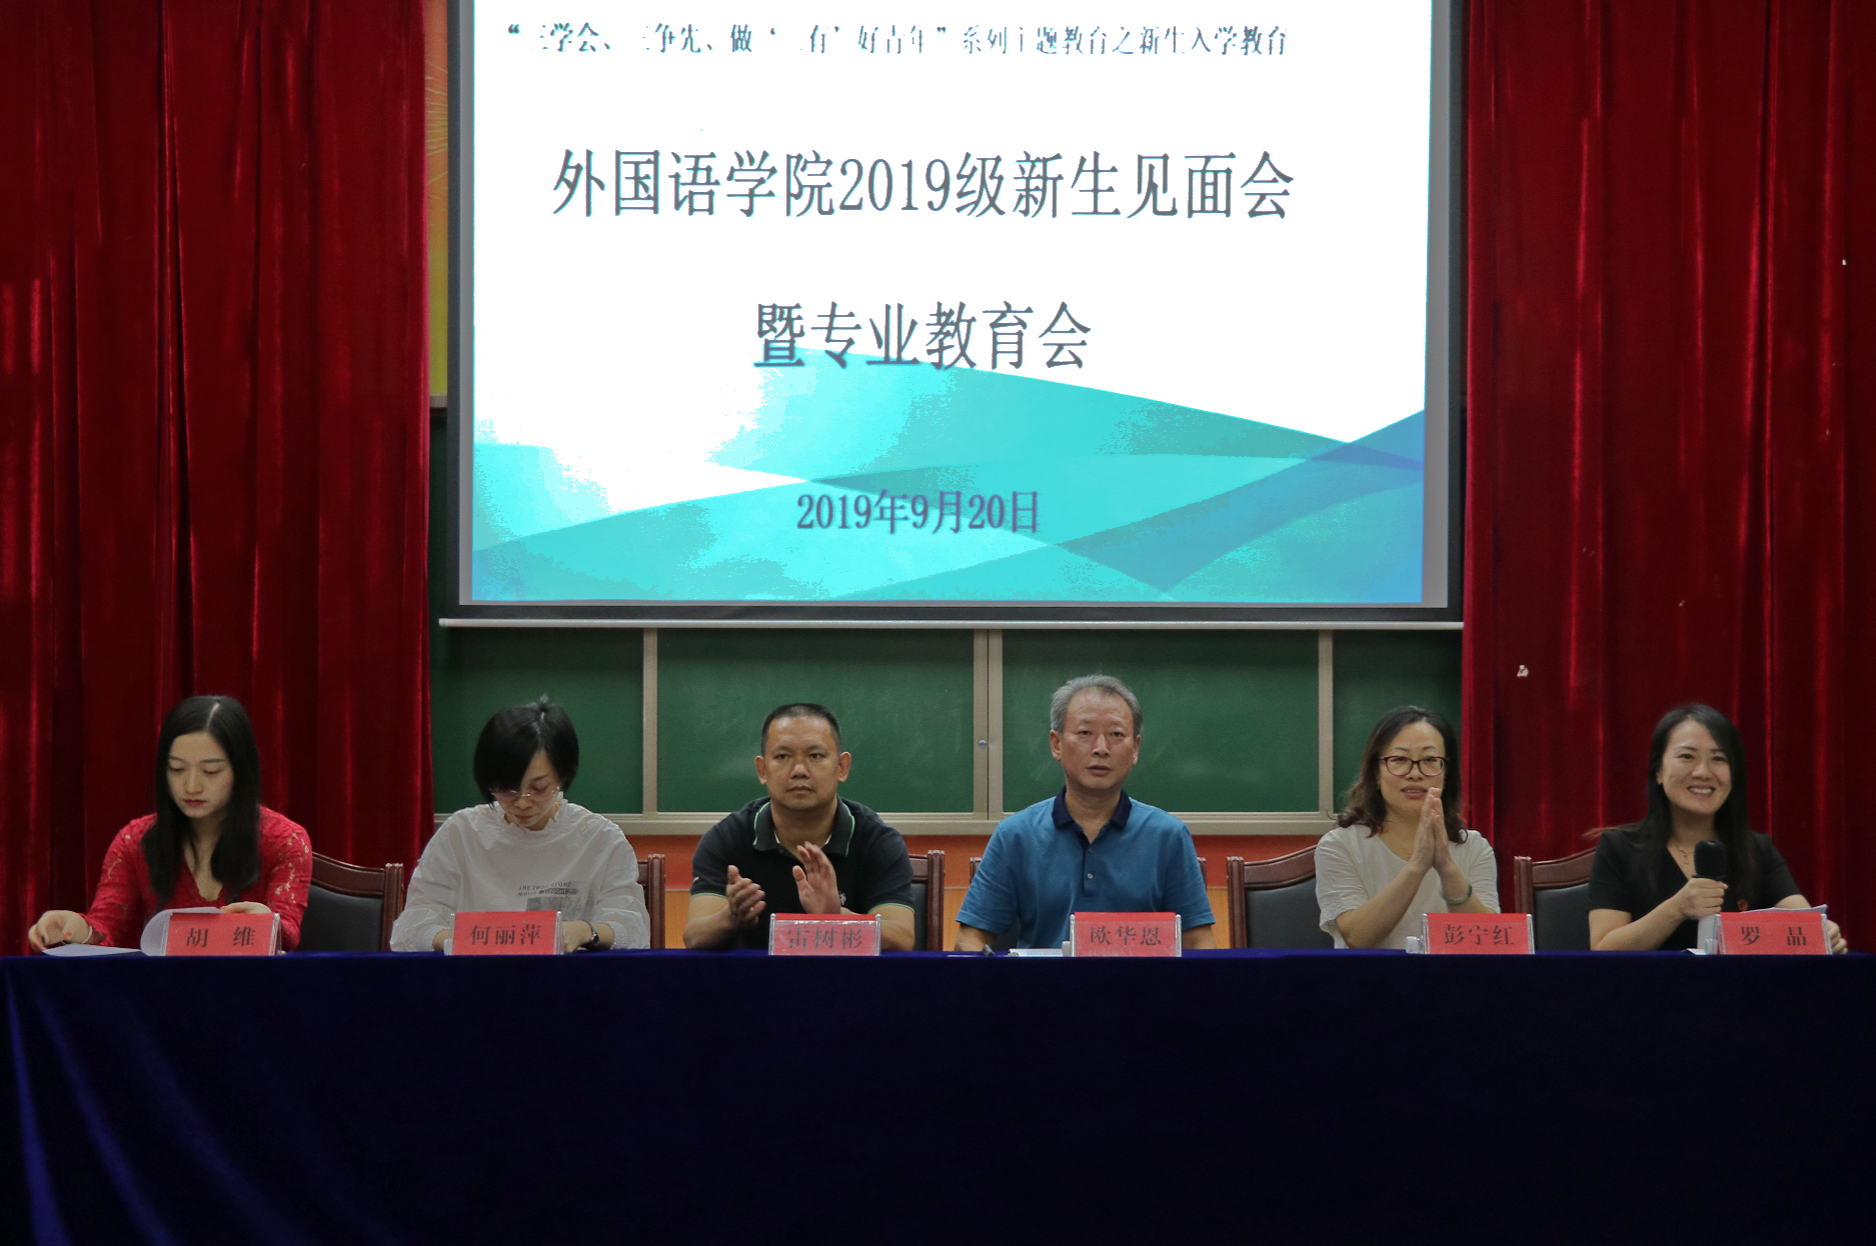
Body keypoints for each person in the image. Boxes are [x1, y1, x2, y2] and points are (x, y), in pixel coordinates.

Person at [27, 696, 313, 952]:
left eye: (210, 771)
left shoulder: (285, 839)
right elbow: (108, 928)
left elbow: (288, 932)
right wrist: (78, 928)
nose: (191, 786)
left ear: (241, 771)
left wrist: (267, 924)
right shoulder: (135, 840)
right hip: (164, 988)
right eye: (177, 769)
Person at [956, 674, 1215, 951]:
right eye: (1085, 733)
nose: (1101, 749)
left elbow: (1199, 941)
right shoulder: (1016, 835)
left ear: (1135, 749)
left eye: (1116, 735)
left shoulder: (1167, 835)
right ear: (1056, 744)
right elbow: (970, 938)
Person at [390, 698, 649, 952]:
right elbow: (411, 928)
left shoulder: (600, 838)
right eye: (506, 789)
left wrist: (586, 931)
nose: (522, 803)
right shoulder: (461, 833)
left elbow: (632, 930)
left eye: (539, 788)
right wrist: (468, 939)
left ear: (563, 776)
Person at [1588, 703, 1847, 953]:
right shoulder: (1618, 847)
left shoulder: (1756, 850)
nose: (1703, 772)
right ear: (1658, 771)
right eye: (1687, 756)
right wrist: (1677, 909)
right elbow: (1603, 949)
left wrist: (1823, 933)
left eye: (1718, 759)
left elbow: (1803, 921)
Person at [685, 703, 916, 951]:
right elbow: (694, 937)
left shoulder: (877, 840)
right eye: (782, 756)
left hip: (846, 974)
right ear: (762, 770)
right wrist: (730, 917)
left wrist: (836, 916)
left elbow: (902, 938)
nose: (799, 770)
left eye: (815, 756)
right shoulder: (727, 838)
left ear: (842, 767)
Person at [1315, 705, 1497, 949]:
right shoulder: (1339, 846)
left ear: (1446, 773)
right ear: (1376, 773)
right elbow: (1357, 939)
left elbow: (1488, 942)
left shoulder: (1474, 847)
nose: (1414, 773)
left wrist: (1447, 868)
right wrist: (1417, 866)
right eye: (1399, 760)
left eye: (1430, 760)